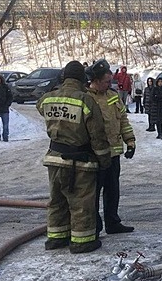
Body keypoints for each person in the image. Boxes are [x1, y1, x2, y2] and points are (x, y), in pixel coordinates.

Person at [36, 60, 111, 254]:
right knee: (81, 202)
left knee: (57, 200)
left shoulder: (48, 98)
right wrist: (104, 160)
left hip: (54, 158)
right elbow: (97, 135)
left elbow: (39, 107)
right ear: (82, 78)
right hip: (80, 161)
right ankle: (82, 241)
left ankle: (56, 238)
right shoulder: (85, 100)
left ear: (63, 77)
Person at [86, 59, 136, 235]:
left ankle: (112, 223)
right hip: (94, 154)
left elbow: (122, 120)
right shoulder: (86, 98)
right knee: (92, 193)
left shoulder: (112, 95)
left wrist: (130, 141)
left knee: (112, 190)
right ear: (96, 80)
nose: (110, 84)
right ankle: (95, 226)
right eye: (106, 81)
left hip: (113, 153)